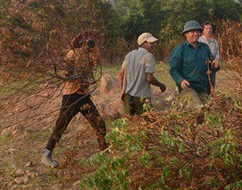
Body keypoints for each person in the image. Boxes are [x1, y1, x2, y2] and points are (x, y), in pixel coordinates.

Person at [42, 33, 108, 168]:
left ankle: (104, 152)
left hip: (83, 95)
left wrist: (94, 48)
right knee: (61, 124)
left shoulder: (90, 55)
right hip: (71, 94)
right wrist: (72, 74)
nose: (88, 43)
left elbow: (98, 62)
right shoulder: (72, 54)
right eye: (86, 42)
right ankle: (46, 154)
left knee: (98, 122)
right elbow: (64, 73)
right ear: (81, 43)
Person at [169, 21, 219, 109]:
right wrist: (180, 80)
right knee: (198, 109)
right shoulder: (180, 49)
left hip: (204, 87)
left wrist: (215, 66)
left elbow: (210, 66)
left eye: (197, 31)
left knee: (212, 109)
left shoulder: (205, 48)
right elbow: (174, 69)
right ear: (185, 34)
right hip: (189, 88)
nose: (195, 34)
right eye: (192, 32)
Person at [118, 32, 167, 115]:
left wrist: (122, 91)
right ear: (143, 43)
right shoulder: (148, 56)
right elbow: (150, 78)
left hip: (127, 96)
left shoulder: (130, 54)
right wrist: (161, 85)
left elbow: (121, 74)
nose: (153, 45)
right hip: (142, 97)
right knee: (148, 124)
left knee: (130, 124)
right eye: (151, 43)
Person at [198, 21, 220, 89]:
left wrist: (216, 60)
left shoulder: (215, 42)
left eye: (210, 28)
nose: (209, 30)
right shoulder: (199, 41)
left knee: (212, 84)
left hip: (212, 65)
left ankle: (212, 96)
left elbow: (217, 54)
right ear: (203, 30)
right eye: (206, 28)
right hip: (201, 65)